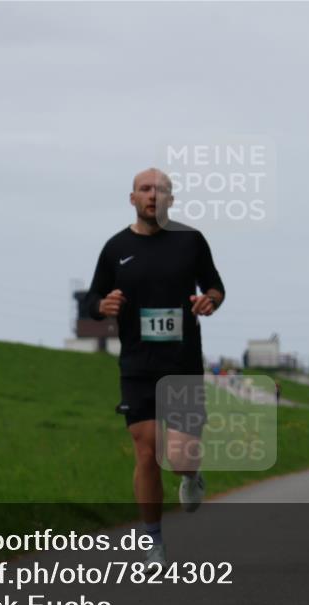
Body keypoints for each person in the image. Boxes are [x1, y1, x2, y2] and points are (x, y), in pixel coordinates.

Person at [85, 168, 224, 571]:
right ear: (132, 198)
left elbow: (216, 286)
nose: (153, 195)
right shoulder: (115, 248)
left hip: (181, 365)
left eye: (161, 190)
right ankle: (154, 545)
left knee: (179, 458)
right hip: (137, 366)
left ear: (171, 200)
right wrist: (101, 306)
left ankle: (191, 477)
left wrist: (209, 301)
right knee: (146, 453)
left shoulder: (191, 241)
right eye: (145, 189)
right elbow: (93, 297)